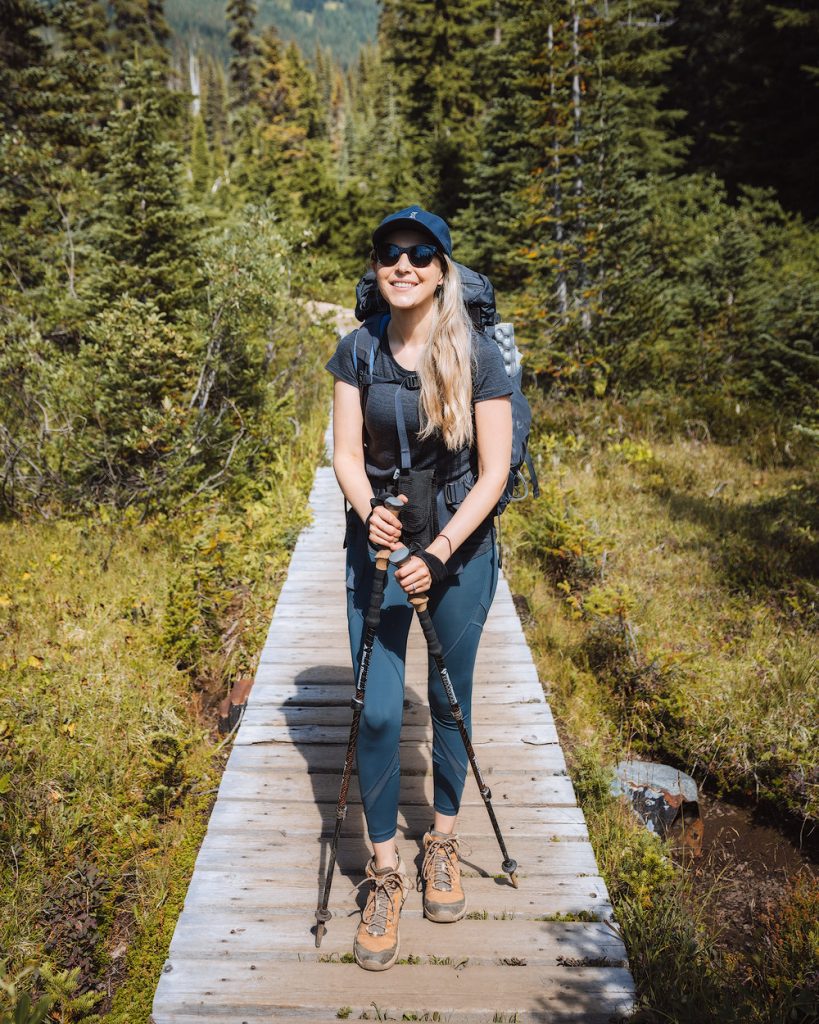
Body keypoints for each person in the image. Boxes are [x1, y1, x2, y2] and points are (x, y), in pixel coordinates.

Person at [325, 205, 513, 971]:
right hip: (374, 554)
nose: (401, 265)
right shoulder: (355, 351)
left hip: (457, 554)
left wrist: (436, 552)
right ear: (377, 268)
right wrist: (369, 512)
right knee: (374, 714)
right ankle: (384, 871)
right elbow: (342, 452)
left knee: (448, 698)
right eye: (388, 254)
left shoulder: (477, 355)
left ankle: (440, 836)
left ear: (442, 270)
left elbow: (494, 471)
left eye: (418, 254)